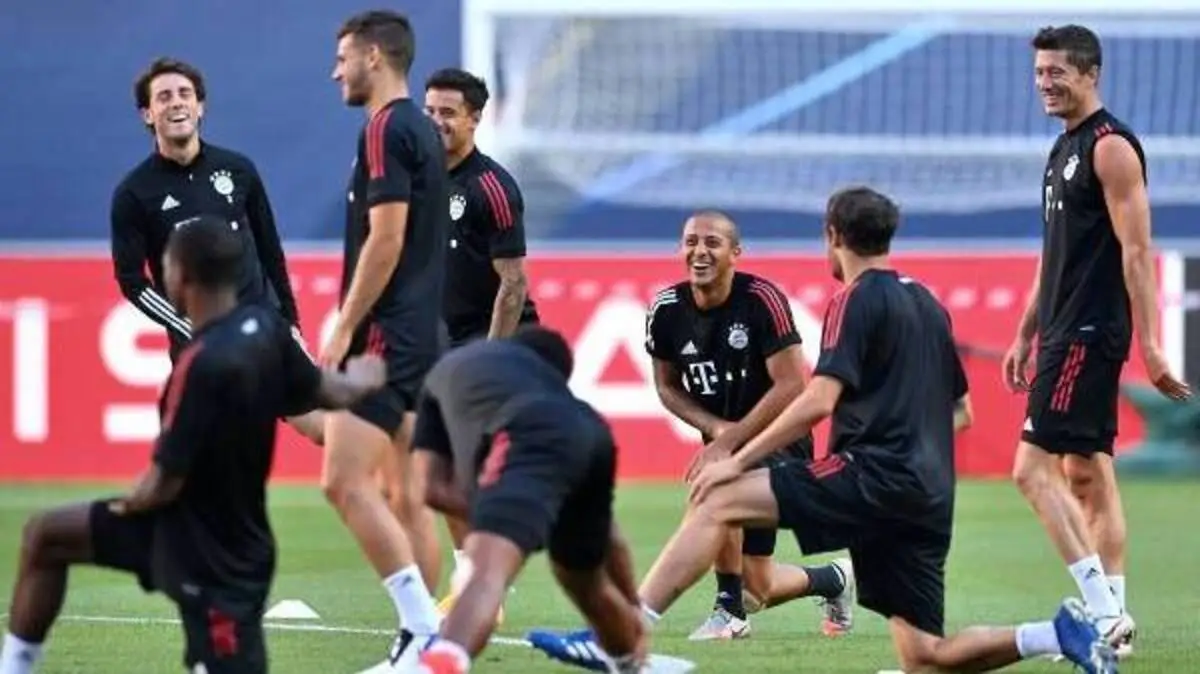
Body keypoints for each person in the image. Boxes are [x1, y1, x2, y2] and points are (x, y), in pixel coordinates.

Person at [528, 186, 1119, 674]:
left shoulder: (853, 299)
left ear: (833, 235)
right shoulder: (927, 304)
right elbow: (961, 411)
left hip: (874, 474)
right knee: (924, 657)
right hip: (928, 494)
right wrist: (911, 441)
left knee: (719, 495)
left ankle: (623, 635)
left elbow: (817, 396)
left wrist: (737, 455)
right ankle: (1055, 634)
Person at [0, 216, 388, 674]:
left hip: (215, 562)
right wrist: (366, 378)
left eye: (165, 265)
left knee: (46, 535)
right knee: (47, 535)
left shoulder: (198, 365)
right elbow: (325, 389)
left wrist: (127, 505)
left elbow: (163, 483)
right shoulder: (266, 330)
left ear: (180, 276)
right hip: (216, 538)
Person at [1005, 24, 1191, 658]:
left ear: (1090, 74)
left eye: (1057, 72)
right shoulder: (1062, 149)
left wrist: (1152, 345)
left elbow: (1137, 251)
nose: (1045, 83)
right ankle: (1115, 614)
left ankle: (1106, 616)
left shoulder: (1111, 148)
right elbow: (1053, 252)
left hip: (1089, 331)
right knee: (1085, 472)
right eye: (1039, 73)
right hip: (1061, 329)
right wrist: (1025, 330)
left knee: (1030, 470)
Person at [644, 210, 853, 641]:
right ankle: (834, 579)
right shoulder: (665, 310)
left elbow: (792, 384)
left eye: (712, 243)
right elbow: (666, 386)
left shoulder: (761, 299)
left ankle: (725, 613)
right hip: (725, 444)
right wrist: (716, 429)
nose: (699, 252)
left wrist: (731, 440)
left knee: (716, 489)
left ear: (735, 253)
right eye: (691, 242)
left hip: (779, 439)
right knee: (757, 588)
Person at [409, 327, 666, 674]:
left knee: (488, 569)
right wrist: (633, 604)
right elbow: (609, 535)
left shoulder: (455, 370)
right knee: (583, 580)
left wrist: (511, 526)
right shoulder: (550, 390)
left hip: (525, 431)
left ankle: (442, 661)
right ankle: (629, 659)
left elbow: (430, 486)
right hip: (592, 431)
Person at [109, 57, 324, 444]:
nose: (176, 102)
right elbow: (131, 281)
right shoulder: (134, 193)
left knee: (333, 432)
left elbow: (271, 253)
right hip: (204, 350)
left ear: (200, 106)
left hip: (265, 332)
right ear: (147, 114)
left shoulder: (238, 170)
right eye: (164, 97)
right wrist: (187, 325)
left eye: (184, 94)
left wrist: (291, 322)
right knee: (217, 458)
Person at [324, 10, 448, 669]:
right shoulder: (422, 129)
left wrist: (346, 323)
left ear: (374, 57)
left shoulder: (383, 128)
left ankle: (422, 629)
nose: (335, 72)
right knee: (404, 495)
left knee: (342, 482)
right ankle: (425, 647)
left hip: (384, 337)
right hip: (422, 334)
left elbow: (387, 237)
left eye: (342, 57)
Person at [422, 67, 539, 614]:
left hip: (497, 339)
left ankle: (482, 581)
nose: (436, 122)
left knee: (458, 465)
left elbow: (513, 285)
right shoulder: (416, 179)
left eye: (448, 113)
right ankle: (476, 578)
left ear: (474, 119)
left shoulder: (491, 187)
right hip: (444, 340)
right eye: (429, 111)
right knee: (438, 471)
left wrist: (488, 361)